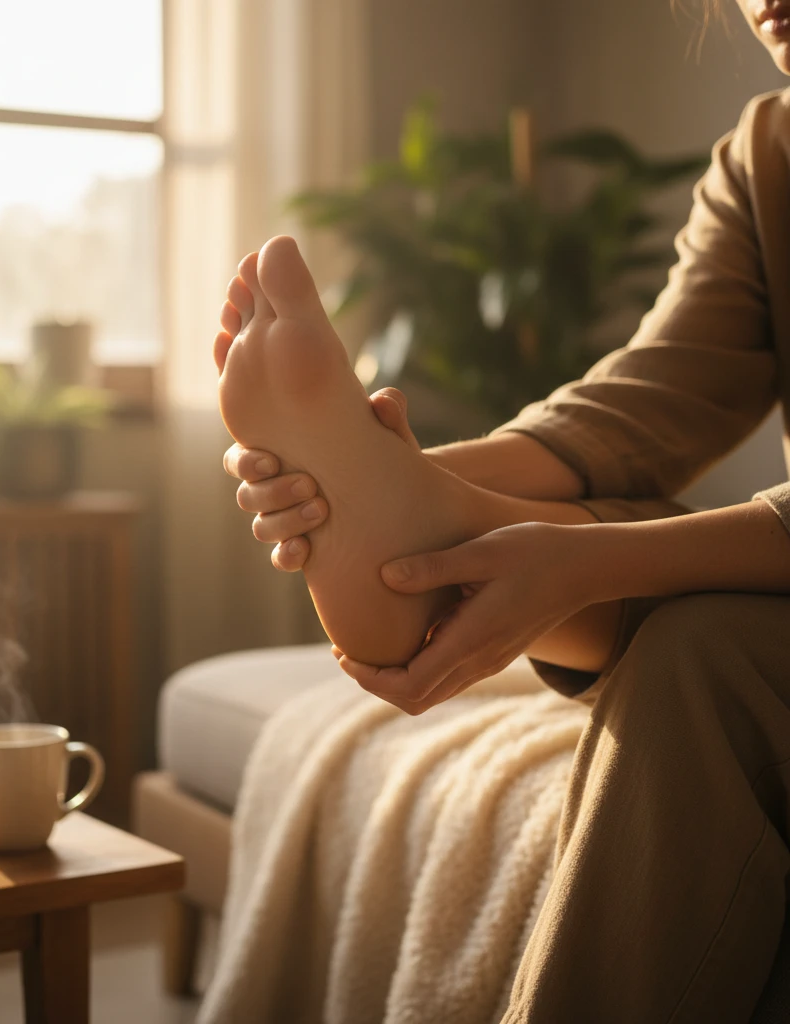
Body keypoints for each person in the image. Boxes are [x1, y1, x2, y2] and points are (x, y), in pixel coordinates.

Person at [213, 2, 790, 1020]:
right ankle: (423, 519)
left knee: (707, 651)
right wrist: (409, 479)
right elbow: (648, 396)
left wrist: (583, 564)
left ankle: (427, 530)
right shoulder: (770, 148)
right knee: (648, 547)